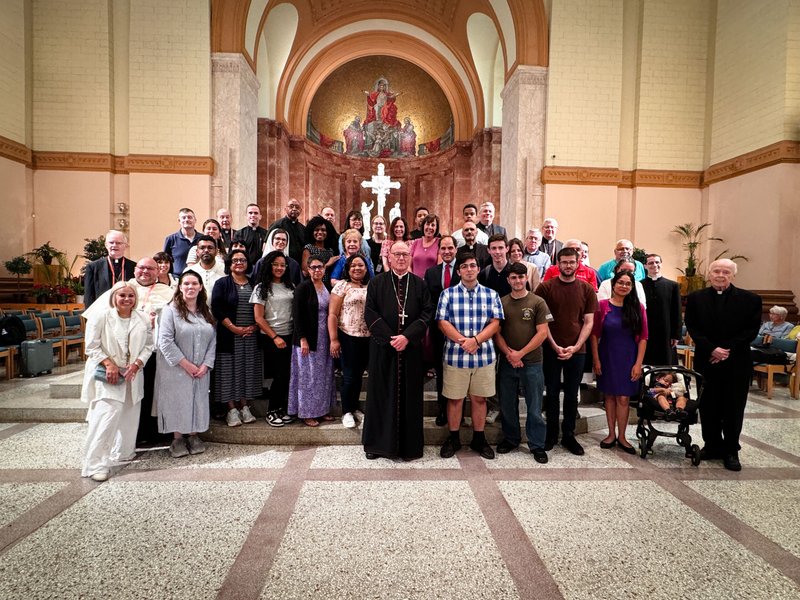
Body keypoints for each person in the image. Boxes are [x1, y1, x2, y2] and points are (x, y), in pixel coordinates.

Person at [82, 257, 174, 447]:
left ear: (158, 272)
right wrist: (107, 362)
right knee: (113, 404)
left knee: (146, 394)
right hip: (115, 357)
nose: (145, 272)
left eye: (150, 268)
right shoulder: (121, 289)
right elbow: (95, 324)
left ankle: (145, 434)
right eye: (141, 268)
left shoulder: (168, 292)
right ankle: (113, 441)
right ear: (135, 270)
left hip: (151, 354)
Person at [685, 259, 761, 471]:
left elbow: (750, 331)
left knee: (733, 407)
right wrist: (712, 349)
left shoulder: (750, 300)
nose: (720, 275)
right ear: (709, 274)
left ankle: (731, 450)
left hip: (736, 362)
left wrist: (725, 350)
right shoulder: (695, 298)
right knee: (708, 405)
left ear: (733, 276)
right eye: (716, 271)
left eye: (726, 272)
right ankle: (711, 445)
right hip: (707, 361)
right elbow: (692, 327)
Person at [362, 241, 433, 460]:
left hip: (410, 351)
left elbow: (427, 313)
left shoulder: (420, 284)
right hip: (384, 350)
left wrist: (407, 337)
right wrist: (392, 339)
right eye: (397, 254)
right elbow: (370, 314)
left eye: (405, 254)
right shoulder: (377, 283)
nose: (401, 258)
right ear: (389, 257)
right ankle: (377, 445)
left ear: (410, 257)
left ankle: (409, 446)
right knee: (380, 395)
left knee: (410, 398)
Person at [81, 282, 154, 481]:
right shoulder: (101, 316)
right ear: (114, 297)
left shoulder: (143, 318)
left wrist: (138, 363)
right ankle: (95, 463)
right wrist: (109, 364)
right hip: (108, 375)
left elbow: (149, 345)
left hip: (132, 373)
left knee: (129, 418)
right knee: (106, 418)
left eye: (131, 296)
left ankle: (123, 454)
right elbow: (91, 346)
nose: (126, 299)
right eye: (122, 295)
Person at [436, 252, 504, 459]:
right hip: (456, 355)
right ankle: (454, 437)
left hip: (483, 356)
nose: (469, 269)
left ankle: (479, 438)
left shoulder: (491, 294)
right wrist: (463, 341)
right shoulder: (447, 294)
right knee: (455, 399)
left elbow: (495, 322)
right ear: (459, 271)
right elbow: (442, 322)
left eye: (472, 265)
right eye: (464, 266)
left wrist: (475, 341)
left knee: (479, 398)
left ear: (478, 269)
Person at [535, 247, 597, 455]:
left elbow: (589, 322)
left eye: (572, 262)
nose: (568, 265)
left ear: (578, 263)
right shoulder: (545, 288)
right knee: (551, 393)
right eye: (564, 262)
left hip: (577, 351)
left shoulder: (587, 289)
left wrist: (577, 346)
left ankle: (569, 435)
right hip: (551, 348)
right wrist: (554, 345)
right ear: (557, 264)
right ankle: (551, 434)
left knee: (571, 394)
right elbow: (541, 321)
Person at [494, 262, 552, 463]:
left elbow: (542, 332)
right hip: (507, 362)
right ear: (508, 280)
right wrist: (510, 354)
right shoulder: (501, 302)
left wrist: (521, 354)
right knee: (507, 404)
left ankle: (537, 444)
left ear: (526, 278)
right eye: (513, 278)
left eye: (521, 277)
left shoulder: (538, 302)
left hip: (533, 362)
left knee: (534, 406)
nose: (517, 281)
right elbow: (497, 333)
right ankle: (511, 438)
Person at [155, 271, 216, 458]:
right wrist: (186, 365)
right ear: (180, 287)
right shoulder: (170, 310)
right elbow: (165, 341)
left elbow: (213, 339)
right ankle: (177, 438)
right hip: (176, 368)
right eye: (186, 284)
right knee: (178, 401)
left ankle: (194, 435)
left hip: (200, 368)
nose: (190, 287)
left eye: (194, 284)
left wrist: (206, 364)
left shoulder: (205, 311)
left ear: (200, 287)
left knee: (197, 400)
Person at [591, 270, 648, 454]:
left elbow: (643, 337)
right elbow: (594, 335)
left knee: (623, 398)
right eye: (621, 283)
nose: (624, 286)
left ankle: (622, 436)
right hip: (607, 356)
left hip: (628, 358)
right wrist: (596, 359)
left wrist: (638, 363)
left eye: (628, 284)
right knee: (609, 396)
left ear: (632, 287)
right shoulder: (602, 306)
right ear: (613, 285)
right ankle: (610, 434)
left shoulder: (638, 308)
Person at [211, 249, 261, 427]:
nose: (239, 263)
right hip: (229, 335)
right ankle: (231, 409)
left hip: (251, 336)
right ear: (229, 264)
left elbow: (263, 307)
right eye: (235, 260)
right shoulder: (222, 283)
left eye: (242, 260)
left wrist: (255, 327)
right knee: (228, 372)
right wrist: (234, 328)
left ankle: (245, 406)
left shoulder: (255, 283)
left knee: (247, 371)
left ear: (248, 263)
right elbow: (216, 308)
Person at [288, 256, 336, 426]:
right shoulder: (302, 288)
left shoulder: (326, 286)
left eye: (320, 267)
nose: (317, 270)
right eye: (313, 267)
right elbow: (297, 316)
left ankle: (321, 411)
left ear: (324, 269)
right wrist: (303, 339)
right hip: (308, 339)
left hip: (324, 338)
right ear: (308, 270)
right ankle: (307, 413)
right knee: (308, 378)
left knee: (323, 377)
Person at [252, 250, 295, 427]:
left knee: (286, 376)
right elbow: (258, 318)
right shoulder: (261, 287)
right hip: (272, 336)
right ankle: (272, 411)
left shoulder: (290, 285)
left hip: (290, 334)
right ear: (269, 265)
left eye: (282, 265)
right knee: (279, 375)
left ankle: (281, 409)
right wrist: (275, 336)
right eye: (276, 264)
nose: (279, 268)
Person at [329, 255, 371, 429]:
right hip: (347, 336)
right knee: (349, 375)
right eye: (353, 265)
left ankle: (354, 407)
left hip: (367, 337)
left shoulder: (371, 286)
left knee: (359, 375)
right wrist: (334, 339)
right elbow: (332, 314)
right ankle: (346, 411)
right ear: (348, 268)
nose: (357, 268)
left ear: (366, 268)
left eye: (360, 265)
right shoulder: (342, 286)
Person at [423, 235, 460, 426]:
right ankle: (442, 410)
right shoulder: (431, 273)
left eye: (450, 248)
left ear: (456, 249)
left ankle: (458, 411)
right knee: (441, 371)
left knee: (459, 372)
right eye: (443, 248)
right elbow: (428, 302)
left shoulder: (464, 269)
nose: (446, 251)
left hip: (461, 330)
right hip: (438, 330)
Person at [641, 253, 682, 365]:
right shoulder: (639, 285)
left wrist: (676, 335)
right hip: (646, 330)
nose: (654, 265)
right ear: (645, 266)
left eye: (657, 262)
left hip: (666, 331)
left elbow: (677, 311)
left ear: (661, 264)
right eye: (650, 263)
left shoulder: (672, 285)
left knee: (666, 365)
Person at [83, 230, 136, 308]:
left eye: (118, 243)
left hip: (126, 311)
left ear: (125, 246)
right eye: (111, 242)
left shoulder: (134, 266)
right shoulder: (93, 267)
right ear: (106, 245)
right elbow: (89, 295)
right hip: (102, 311)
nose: (114, 245)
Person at [184, 235, 226, 299]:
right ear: (197, 252)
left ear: (216, 251)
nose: (206, 250)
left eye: (210, 248)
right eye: (202, 248)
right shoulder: (189, 272)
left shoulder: (225, 270)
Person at [268, 198, 306, 264]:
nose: (294, 209)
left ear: (301, 210)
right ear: (285, 209)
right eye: (291, 206)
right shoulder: (277, 224)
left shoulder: (303, 228)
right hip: (281, 263)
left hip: (299, 264)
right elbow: (267, 245)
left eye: (297, 207)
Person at [303, 215, 340, 282]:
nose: (320, 232)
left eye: (323, 230)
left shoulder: (330, 250)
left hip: (329, 285)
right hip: (314, 285)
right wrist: (327, 264)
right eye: (316, 230)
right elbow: (306, 272)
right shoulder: (308, 248)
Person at [163, 208, 198, 274]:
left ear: (195, 220)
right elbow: (165, 261)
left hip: (198, 278)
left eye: (190, 217)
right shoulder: (171, 239)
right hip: (177, 278)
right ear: (179, 221)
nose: (187, 219)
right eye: (184, 218)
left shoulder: (202, 239)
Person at [479, 234, 512, 298]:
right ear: (488, 250)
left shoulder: (515, 272)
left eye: (500, 248)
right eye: (494, 248)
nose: (497, 252)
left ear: (507, 248)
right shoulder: (484, 274)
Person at [236, 203, 269, 267]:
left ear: (260, 216)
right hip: (245, 267)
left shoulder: (266, 233)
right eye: (250, 213)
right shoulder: (239, 234)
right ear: (246, 216)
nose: (253, 215)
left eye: (256, 213)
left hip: (262, 267)